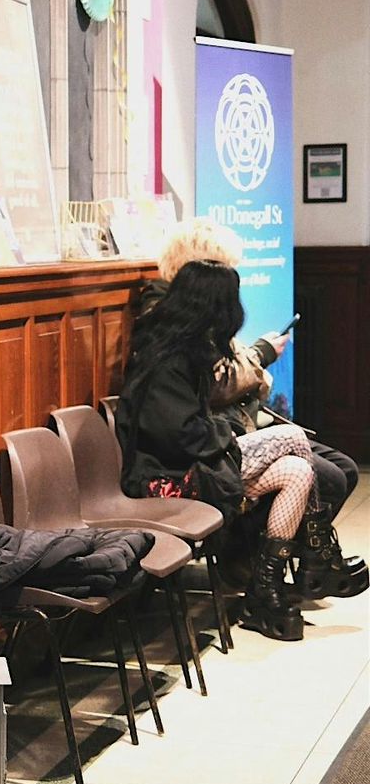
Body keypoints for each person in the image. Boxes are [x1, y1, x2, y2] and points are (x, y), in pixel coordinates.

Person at [116, 260, 355, 641]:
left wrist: (223, 433)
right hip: (165, 479)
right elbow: (181, 435)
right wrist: (227, 432)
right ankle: (318, 558)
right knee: (292, 438)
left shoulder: (180, 349)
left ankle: (265, 591)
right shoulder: (165, 360)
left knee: (298, 471)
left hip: (192, 467)